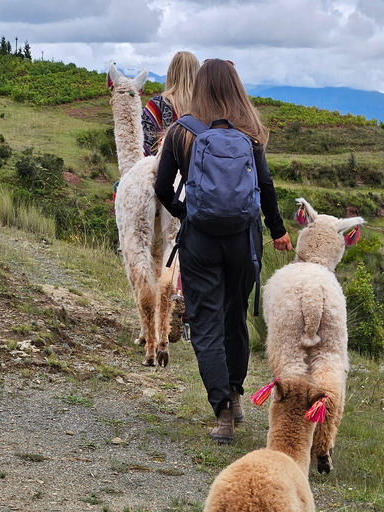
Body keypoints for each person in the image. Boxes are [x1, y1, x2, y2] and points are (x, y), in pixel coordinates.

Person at [154, 58, 293, 444]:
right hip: (244, 240)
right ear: (236, 87)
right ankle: (235, 392)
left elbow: (163, 188)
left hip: (200, 241)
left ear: (199, 88)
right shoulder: (251, 133)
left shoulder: (182, 132)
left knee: (206, 322)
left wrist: (187, 214)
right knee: (235, 316)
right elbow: (265, 186)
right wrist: (278, 230)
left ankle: (222, 413)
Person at [141, 51, 200, 156]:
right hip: (199, 170)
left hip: (161, 169)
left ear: (171, 73)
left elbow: (146, 148)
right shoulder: (205, 107)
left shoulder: (156, 105)